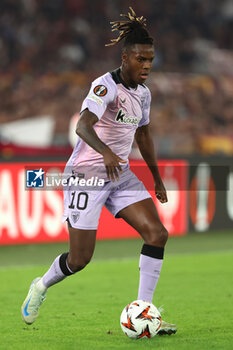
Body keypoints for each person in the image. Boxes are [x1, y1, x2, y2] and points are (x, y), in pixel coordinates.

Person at [21, 7, 177, 335]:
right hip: (86, 175)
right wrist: (105, 151)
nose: (147, 65)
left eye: (150, 60)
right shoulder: (105, 86)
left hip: (119, 175)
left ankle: (145, 313)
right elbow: (83, 125)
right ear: (125, 57)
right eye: (141, 59)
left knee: (157, 234)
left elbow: (143, 134)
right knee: (79, 260)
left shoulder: (144, 94)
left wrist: (157, 177)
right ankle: (42, 284)